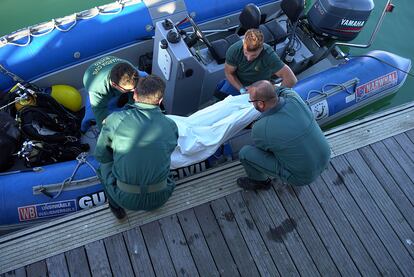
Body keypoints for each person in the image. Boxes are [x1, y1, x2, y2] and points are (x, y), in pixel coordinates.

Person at [94, 75, 179, 219]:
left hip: (125, 199)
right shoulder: (171, 125)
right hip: (161, 197)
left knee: (102, 167)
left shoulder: (115, 120)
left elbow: (102, 155)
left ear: (134, 95)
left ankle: (116, 208)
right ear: (160, 100)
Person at [237, 80, 331, 190]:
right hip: (325, 158)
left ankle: (261, 182)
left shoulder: (260, 127)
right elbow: (283, 89)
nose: (252, 103)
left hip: (302, 177)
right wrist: (264, 89)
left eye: (251, 101)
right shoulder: (294, 97)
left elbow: (264, 151)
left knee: (245, 153)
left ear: (261, 104)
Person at [218, 28, 297, 98]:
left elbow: (291, 79)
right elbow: (229, 73)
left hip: (258, 87)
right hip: (238, 83)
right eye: (246, 53)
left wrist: (275, 94)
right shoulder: (234, 50)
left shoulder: (268, 55)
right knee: (221, 96)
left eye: (254, 55)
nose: (249, 58)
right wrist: (242, 90)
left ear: (261, 48)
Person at [82, 56, 147, 131]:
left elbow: (135, 85)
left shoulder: (130, 69)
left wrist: (134, 103)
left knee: (145, 77)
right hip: (93, 80)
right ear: (114, 85)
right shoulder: (97, 91)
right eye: (130, 90)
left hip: (115, 67)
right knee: (91, 115)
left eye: (135, 88)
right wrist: (106, 136)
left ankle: (129, 102)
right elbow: (102, 120)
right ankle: (83, 128)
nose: (134, 91)